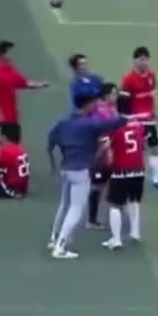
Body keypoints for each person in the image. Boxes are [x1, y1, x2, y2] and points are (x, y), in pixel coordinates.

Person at [47, 94, 127, 260]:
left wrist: (53, 164)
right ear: (87, 105)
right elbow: (113, 123)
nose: (96, 106)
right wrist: (125, 116)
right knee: (76, 209)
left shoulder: (63, 123)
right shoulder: (89, 124)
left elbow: (51, 141)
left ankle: (54, 239)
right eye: (94, 104)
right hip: (80, 171)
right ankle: (60, 246)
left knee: (65, 205)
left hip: (66, 169)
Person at [0, 40, 49, 165]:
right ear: (2, 55)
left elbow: (23, 82)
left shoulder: (10, 70)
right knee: (0, 155)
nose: (12, 56)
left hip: (12, 120)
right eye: (9, 53)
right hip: (1, 122)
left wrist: (39, 85)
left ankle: (8, 172)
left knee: (13, 152)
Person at [121, 46, 158, 190]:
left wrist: (153, 112)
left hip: (150, 120)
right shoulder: (128, 79)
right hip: (136, 122)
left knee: (155, 149)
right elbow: (123, 103)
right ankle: (129, 177)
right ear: (134, 61)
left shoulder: (151, 76)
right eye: (141, 60)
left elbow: (150, 97)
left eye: (146, 60)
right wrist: (130, 119)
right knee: (135, 151)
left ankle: (157, 180)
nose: (144, 63)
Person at [102, 92, 147, 250]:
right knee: (134, 201)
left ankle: (116, 239)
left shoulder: (115, 126)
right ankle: (135, 232)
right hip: (138, 170)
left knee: (115, 205)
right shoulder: (139, 126)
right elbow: (143, 145)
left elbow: (107, 146)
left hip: (121, 170)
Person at [86, 83, 119, 230]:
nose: (116, 96)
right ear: (106, 95)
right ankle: (91, 220)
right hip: (100, 155)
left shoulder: (112, 109)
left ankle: (113, 217)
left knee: (111, 185)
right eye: (114, 94)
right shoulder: (98, 112)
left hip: (111, 153)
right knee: (97, 187)